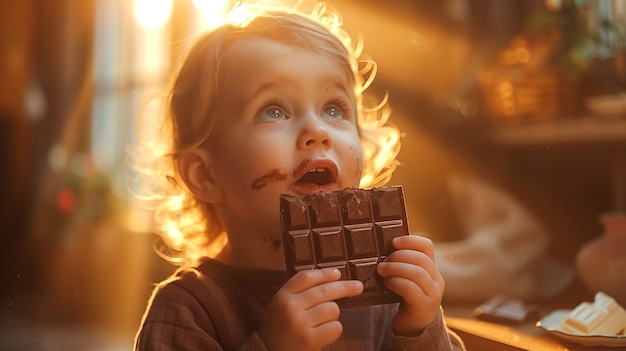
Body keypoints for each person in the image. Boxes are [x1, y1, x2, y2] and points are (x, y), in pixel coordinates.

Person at [131, 1, 465, 350]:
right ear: (205, 175)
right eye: (273, 111)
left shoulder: (383, 292)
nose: (317, 130)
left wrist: (420, 329)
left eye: (333, 108)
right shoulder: (189, 310)